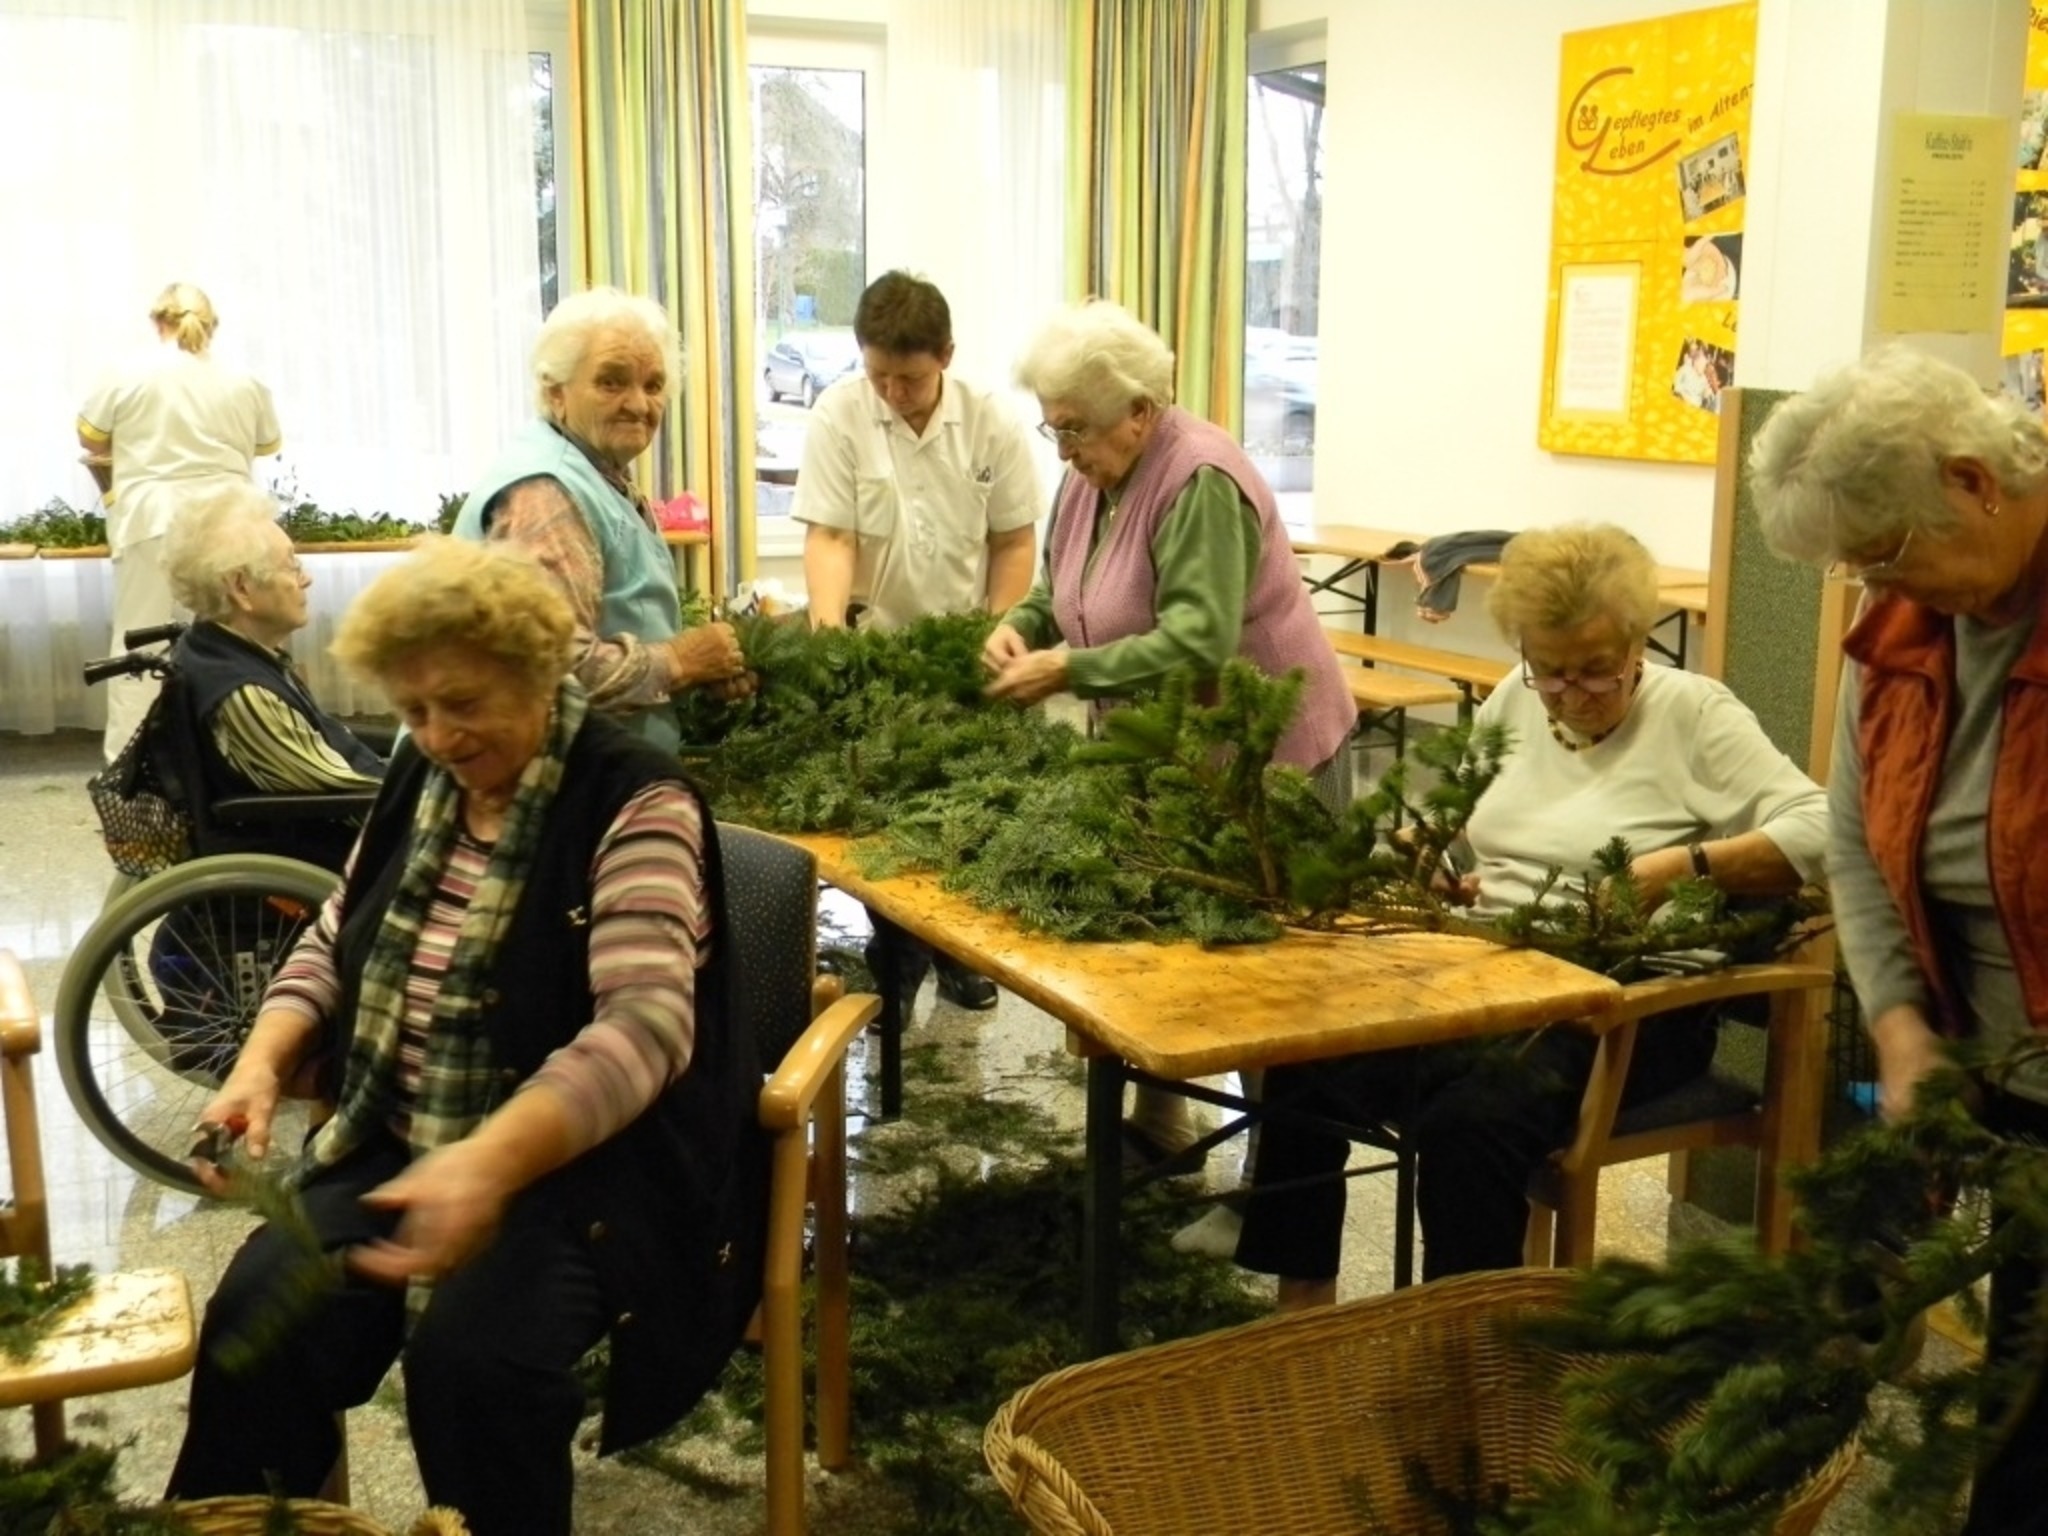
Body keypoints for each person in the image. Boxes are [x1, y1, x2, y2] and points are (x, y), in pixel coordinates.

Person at [164, 538, 764, 1536]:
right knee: (256, 1328)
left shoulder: (634, 799)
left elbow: (647, 1027)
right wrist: (260, 1063)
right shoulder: (423, 778)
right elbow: (333, 937)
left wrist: (489, 1160)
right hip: (403, 1139)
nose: (437, 736)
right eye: (412, 711)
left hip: (590, 1176)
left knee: (475, 1364)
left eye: (464, 704)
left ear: (539, 676)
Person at [1233, 523, 1827, 1308]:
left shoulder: (1695, 715)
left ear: (1637, 642)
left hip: (1626, 1002)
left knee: (1471, 1120)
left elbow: (1822, 828)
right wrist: (1429, 852)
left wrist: (1680, 868)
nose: (1571, 694)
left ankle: (1468, 1348)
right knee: (1307, 1058)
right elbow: (1470, 814)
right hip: (1496, 972)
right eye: (1551, 671)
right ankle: (1304, 1311)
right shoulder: (1518, 697)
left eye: (1596, 672)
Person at [1750, 345, 2048, 1536]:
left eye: (1885, 553)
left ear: (1972, 482)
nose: (1877, 588)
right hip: (1973, 1051)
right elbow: (1858, 846)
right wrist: (1901, 1030)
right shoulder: (1907, 630)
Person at [983, 297, 1357, 1175]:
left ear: (1142, 411)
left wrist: (1068, 672)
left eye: (1072, 427)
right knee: (1175, 944)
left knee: (1269, 986)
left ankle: (1278, 1200)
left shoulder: (1199, 482)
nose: (1063, 448)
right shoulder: (1090, 474)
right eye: (1053, 429)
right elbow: (1061, 590)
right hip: (1173, 751)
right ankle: (1164, 1129)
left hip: (1268, 758)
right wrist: (1020, 627)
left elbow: (1195, 636)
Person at [796, 270, 1043, 1011]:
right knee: (885, 813)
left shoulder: (990, 423)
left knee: (966, 808)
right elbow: (832, 535)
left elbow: (1013, 539)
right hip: (881, 645)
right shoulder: (839, 414)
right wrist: (828, 634)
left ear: (946, 355)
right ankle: (897, 956)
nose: (893, 393)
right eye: (879, 375)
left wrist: (996, 630)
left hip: (965, 645)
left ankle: (957, 952)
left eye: (908, 377)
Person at [454, 287, 751, 753]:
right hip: (532, 795)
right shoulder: (544, 494)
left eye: (653, 386)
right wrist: (678, 662)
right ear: (556, 393)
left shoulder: (597, 471)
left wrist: (700, 672)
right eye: (612, 382)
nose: (638, 404)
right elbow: (549, 670)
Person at [77, 281, 282, 763]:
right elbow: (265, 444)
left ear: (156, 321)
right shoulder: (244, 379)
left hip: (154, 518)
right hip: (235, 523)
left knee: (138, 646)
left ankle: (130, 769)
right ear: (212, 326)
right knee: (237, 646)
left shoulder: (126, 372)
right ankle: (243, 759)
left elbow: (91, 439)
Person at [160, 482, 384, 872]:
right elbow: (339, 792)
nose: (306, 579)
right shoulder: (243, 693)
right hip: (330, 855)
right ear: (241, 588)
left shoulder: (228, 651)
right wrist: (436, 797)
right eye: (291, 565)